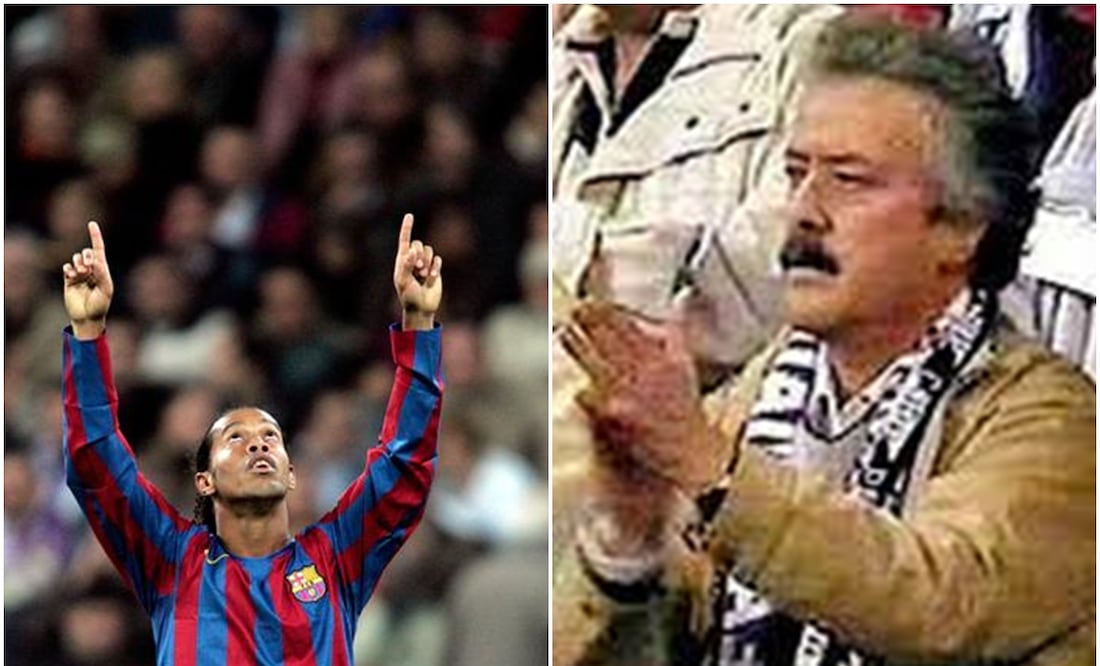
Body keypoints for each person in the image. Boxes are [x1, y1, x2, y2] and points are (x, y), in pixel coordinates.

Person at [555, 16, 1095, 666]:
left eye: (849, 179)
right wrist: (628, 541)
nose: (804, 210)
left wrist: (714, 470)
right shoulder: (753, 400)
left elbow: (936, 605)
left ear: (962, 226)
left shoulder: (1052, 421)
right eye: (794, 173)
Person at [61, 214, 444, 665]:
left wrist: (418, 321)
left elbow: (404, 465)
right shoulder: (173, 561)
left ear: (292, 473)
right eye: (236, 437)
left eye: (270, 436)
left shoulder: (335, 559)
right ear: (205, 481)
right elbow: (97, 465)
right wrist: (88, 335)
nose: (259, 444)